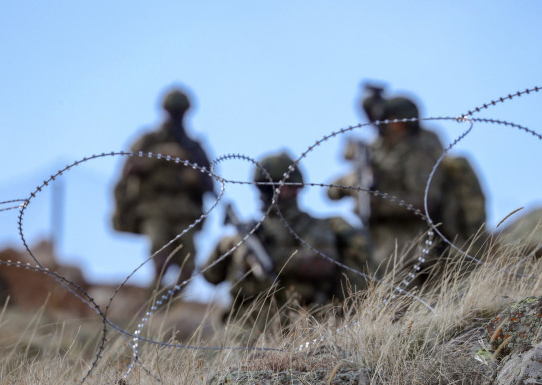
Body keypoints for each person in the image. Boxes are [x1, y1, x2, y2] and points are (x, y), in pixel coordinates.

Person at [328, 85, 486, 289]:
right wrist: (351, 184)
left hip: (419, 246)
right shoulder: (379, 149)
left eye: (389, 119)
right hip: (386, 246)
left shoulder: (420, 149)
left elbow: (423, 202)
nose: (383, 124)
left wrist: (378, 203)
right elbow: (331, 190)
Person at [203, 151, 369, 331]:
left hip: (301, 324)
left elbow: (322, 263)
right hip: (245, 329)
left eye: (273, 187)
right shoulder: (247, 234)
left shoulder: (314, 227)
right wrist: (226, 248)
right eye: (263, 187)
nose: (265, 194)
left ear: (295, 188)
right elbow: (210, 276)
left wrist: (274, 257)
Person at [112, 87, 214, 285]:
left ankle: (170, 305)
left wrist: (193, 179)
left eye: (180, 112)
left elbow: (209, 185)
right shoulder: (148, 141)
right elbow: (128, 170)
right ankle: (154, 303)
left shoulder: (193, 147)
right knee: (161, 257)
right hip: (154, 207)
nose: (176, 117)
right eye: (173, 112)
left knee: (187, 264)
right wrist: (157, 157)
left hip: (184, 212)